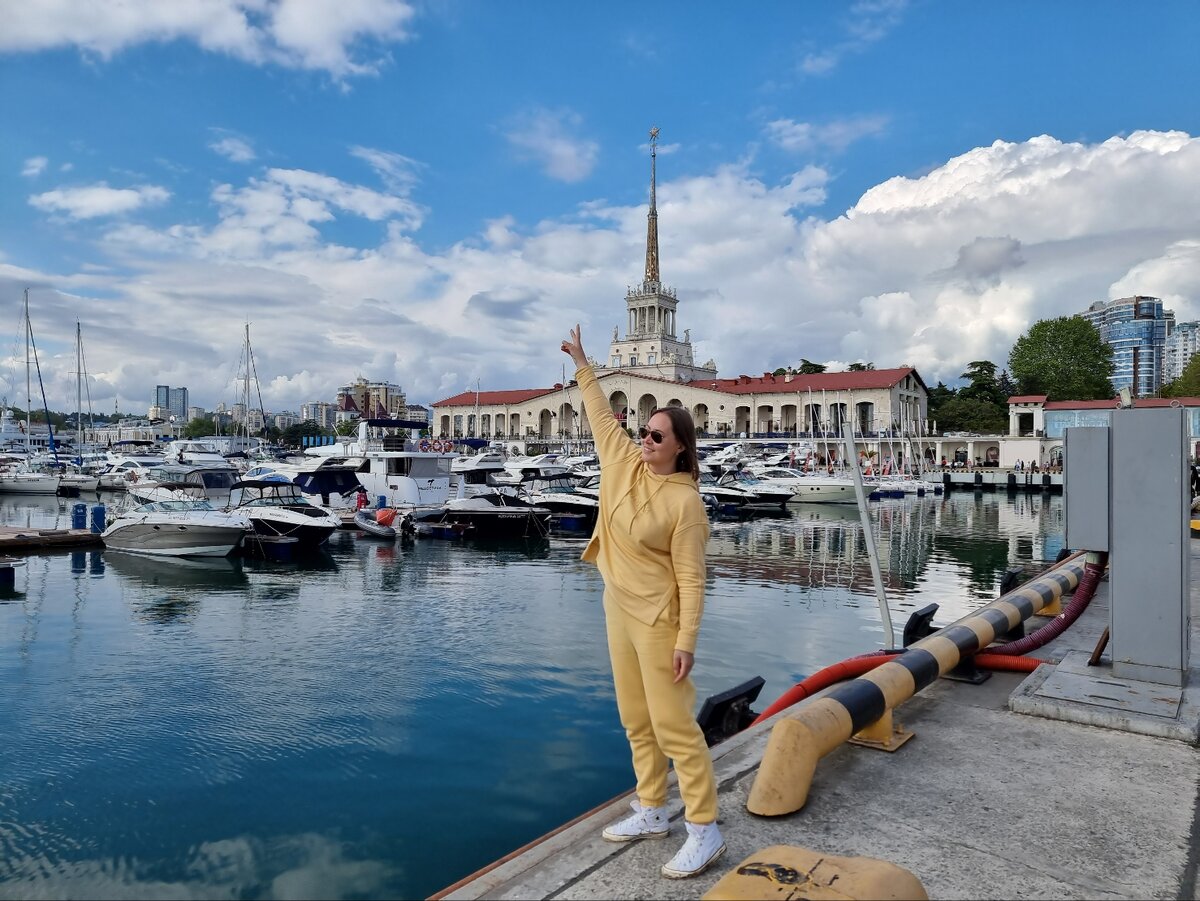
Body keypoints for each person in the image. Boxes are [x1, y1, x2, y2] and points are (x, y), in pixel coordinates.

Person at [560, 323, 725, 880]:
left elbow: (693, 579)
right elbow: (599, 413)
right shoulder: (622, 463)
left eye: (657, 436)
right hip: (617, 609)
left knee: (675, 724)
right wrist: (583, 362)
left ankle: (704, 828)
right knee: (635, 719)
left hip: (659, 621)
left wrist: (687, 642)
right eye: (644, 431)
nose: (645, 440)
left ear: (680, 446)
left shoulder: (686, 504)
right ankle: (652, 808)